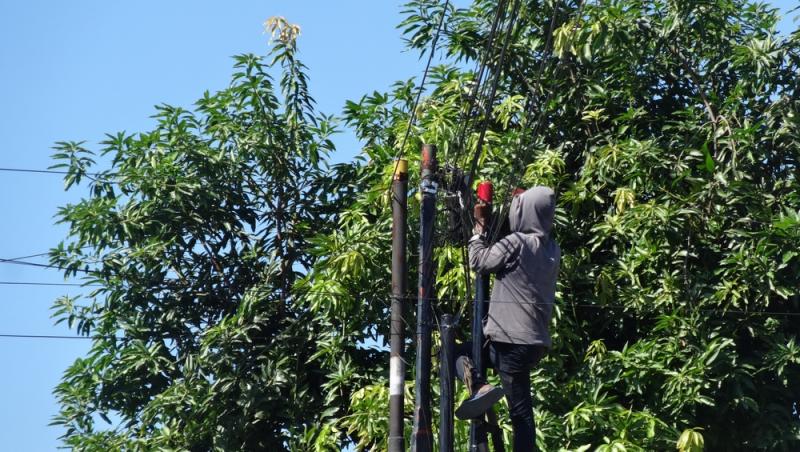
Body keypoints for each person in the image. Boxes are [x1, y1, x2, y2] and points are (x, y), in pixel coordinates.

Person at [454, 186, 560, 452]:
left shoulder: (517, 244)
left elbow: (480, 261)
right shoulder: (551, 249)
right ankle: (479, 387)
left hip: (509, 340)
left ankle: (478, 386)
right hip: (533, 343)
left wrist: (479, 230)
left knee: (451, 353)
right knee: (521, 407)